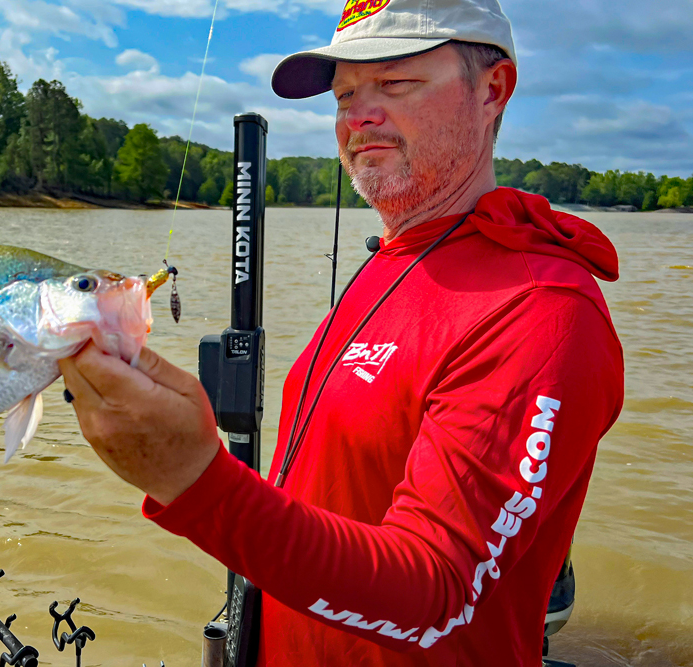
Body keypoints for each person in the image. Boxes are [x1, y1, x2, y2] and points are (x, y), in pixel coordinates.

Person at [59, 0, 625, 663]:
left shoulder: (541, 309)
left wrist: (197, 480)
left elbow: (438, 593)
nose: (359, 116)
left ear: (492, 90)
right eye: (344, 94)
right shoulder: (394, 258)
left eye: (395, 82)